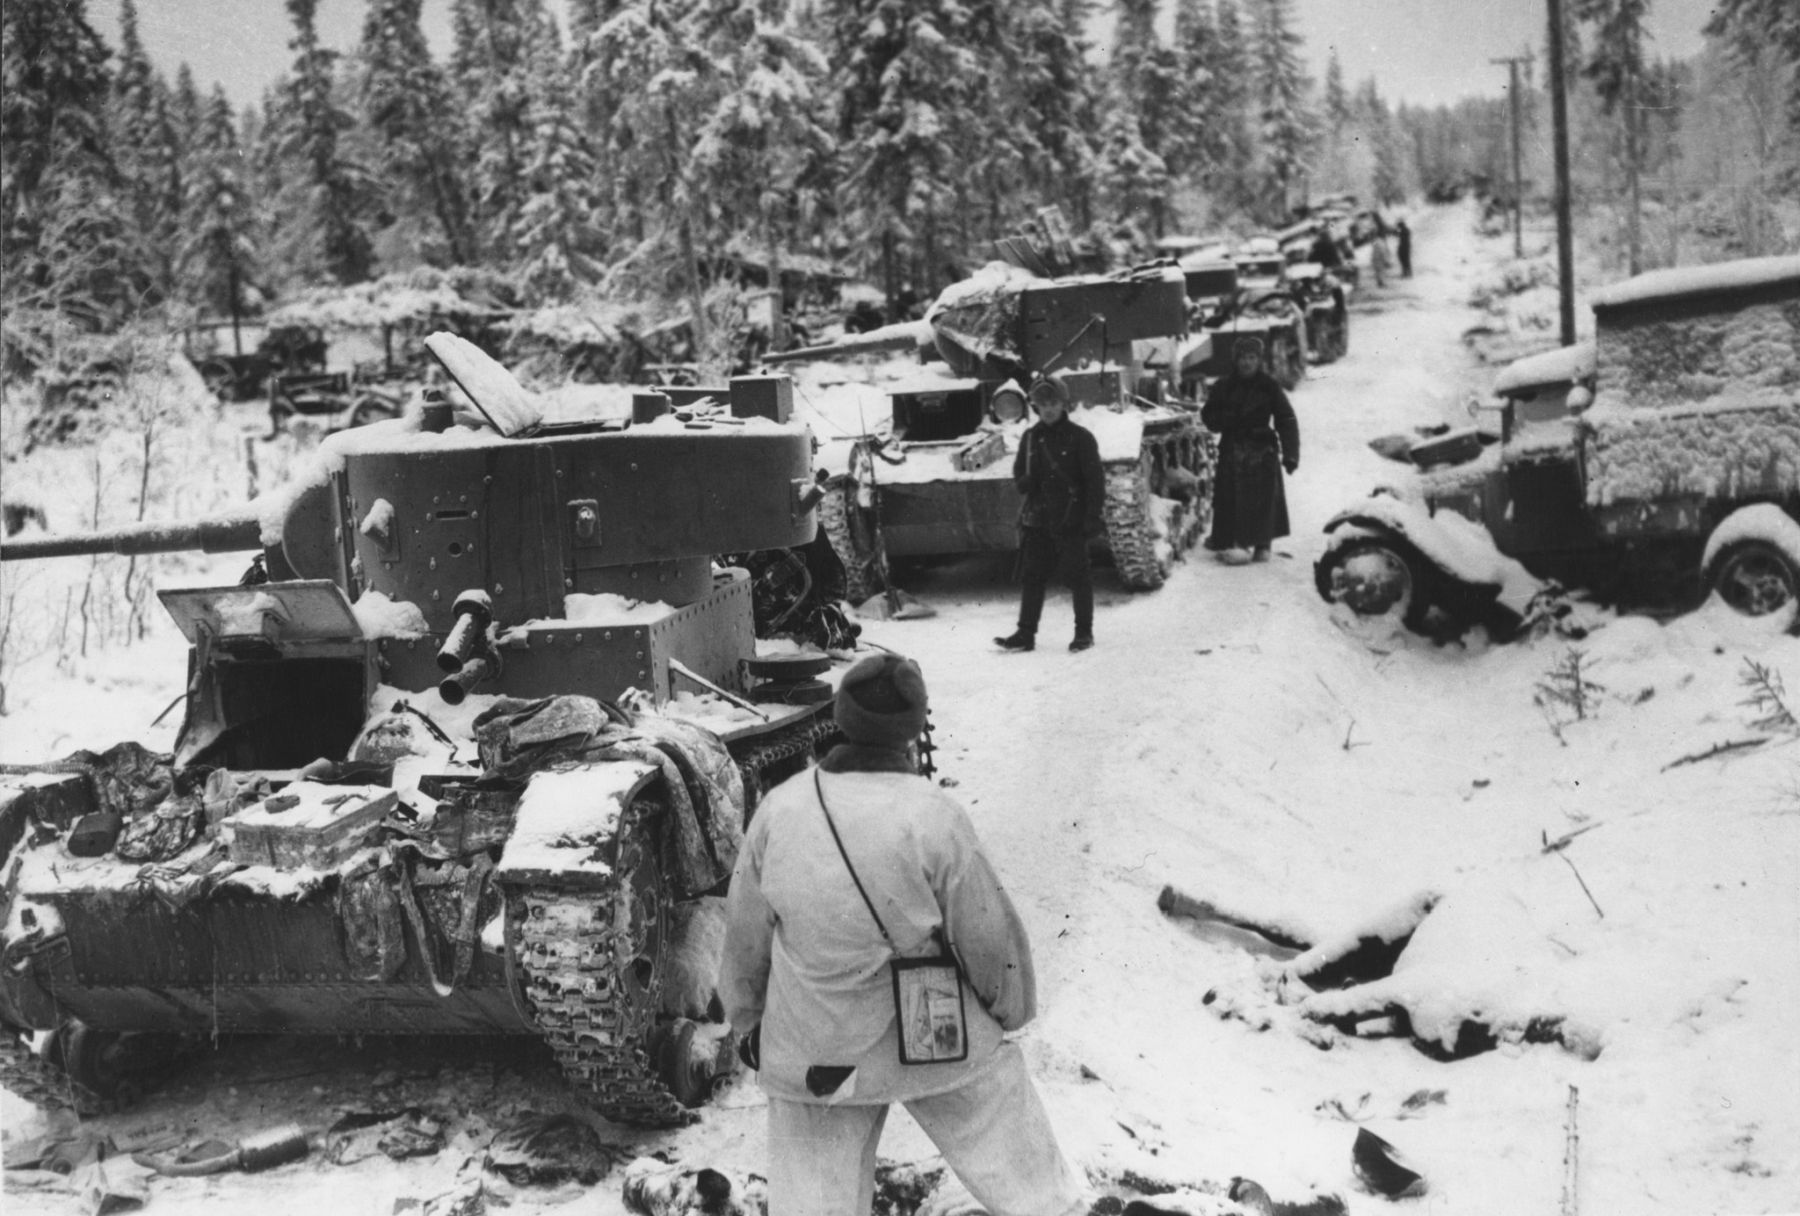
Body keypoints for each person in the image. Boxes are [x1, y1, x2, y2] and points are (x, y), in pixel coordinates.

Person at [720, 654, 1086, 1216]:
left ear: (840, 717)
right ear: (914, 729)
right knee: (1024, 1170)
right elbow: (990, 942)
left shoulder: (780, 809)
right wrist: (1008, 1012)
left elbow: (745, 939)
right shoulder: (936, 815)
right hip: (932, 1039)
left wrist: (748, 1022)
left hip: (818, 1051)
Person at [995, 377, 1105, 653]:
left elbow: (1095, 481)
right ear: (1036, 407)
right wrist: (1024, 482)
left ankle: (1083, 633)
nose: (1048, 409)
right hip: (1039, 518)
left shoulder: (1080, 437)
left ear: (1063, 404)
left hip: (1070, 517)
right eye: (1043, 404)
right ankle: (1025, 633)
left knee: (1078, 578)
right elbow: (1019, 471)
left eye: (1053, 403)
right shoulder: (1031, 437)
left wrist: (1092, 517)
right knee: (1032, 577)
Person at [1202, 337, 1299, 565]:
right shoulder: (1224, 386)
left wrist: (1291, 453)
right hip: (1232, 451)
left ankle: (1262, 545)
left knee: (1262, 500)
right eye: (1243, 358)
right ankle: (1234, 542)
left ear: (1259, 360)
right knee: (1230, 499)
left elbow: (1286, 419)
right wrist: (1224, 418)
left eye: (1252, 357)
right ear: (1235, 360)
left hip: (1261, 452)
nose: (1247, 363)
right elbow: (1208, 415)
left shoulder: (1269, 386)